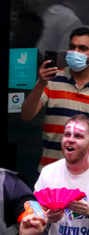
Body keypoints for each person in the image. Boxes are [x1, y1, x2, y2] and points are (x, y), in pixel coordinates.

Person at [33, 115, 89, 235]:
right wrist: (46, 218)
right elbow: (33, 216)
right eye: (66, 134)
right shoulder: (49, 172)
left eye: (78, 136)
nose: (70, 139)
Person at [20, 26, 89, 168]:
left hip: (85, 176)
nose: (75, 52)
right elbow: (27, 114)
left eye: (82, 48)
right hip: (50, 172)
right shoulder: (52, 80)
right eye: (72, 47)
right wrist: (40, 84)